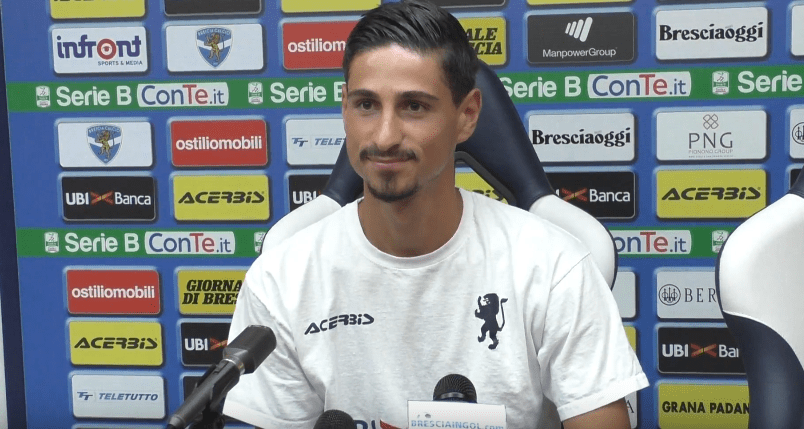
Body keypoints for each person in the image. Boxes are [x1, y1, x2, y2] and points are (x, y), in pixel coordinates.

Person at [222, 1, 648, 428]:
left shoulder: (553, 266)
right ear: (344, 108)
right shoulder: (281, 278)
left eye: (414, 107)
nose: (385, 136)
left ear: (467, 116)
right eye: (366, 104)